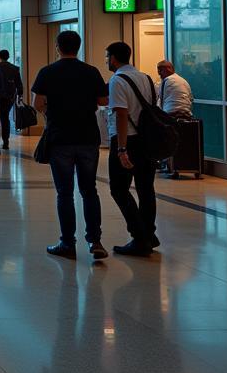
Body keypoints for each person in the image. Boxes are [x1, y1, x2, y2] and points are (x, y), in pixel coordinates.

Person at [31, 30, 109, 260]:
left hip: (60, 138)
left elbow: (37, 104)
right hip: (87, 137)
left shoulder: (47, 72)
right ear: (79, 46)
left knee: (64, 193)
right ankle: (95, 241)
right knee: (89, 191)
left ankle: (67, 242)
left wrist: (52, 110)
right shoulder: (91, 71)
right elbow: (103, 101)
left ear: (57, 47)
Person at [106, 41, 159, 256]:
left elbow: (121, 114)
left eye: (107, 56)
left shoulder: (117, 80)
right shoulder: (146, 78)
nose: (106, 60)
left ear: (114, 58)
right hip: (147, 141)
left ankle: (140, 237)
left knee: (119, 189)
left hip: (127, 140)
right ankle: (149, 233)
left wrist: (121, 149)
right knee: (146, 188)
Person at [0, 49, 24, 151]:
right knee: (5, 117)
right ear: (8, 56)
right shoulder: (14, 68)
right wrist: (20, 95)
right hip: (9, 97)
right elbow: (19, 84)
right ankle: (6, 141)